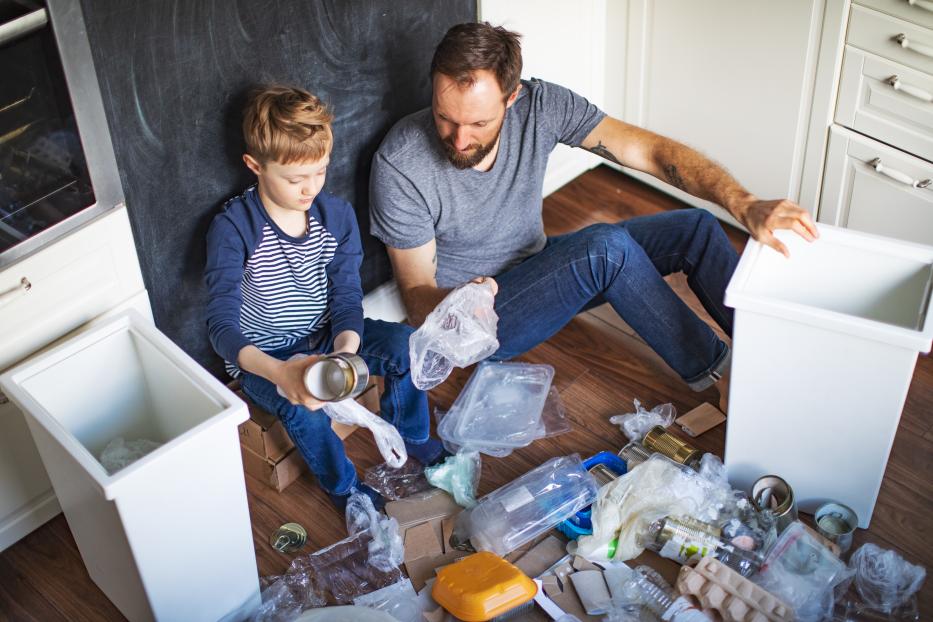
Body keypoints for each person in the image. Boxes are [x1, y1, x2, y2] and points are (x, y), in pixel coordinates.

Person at [369, 22, 818, 405]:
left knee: (695, 227)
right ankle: (727, 378)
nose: (460, 139)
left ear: (512, 98)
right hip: (480, 321)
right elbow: (416, 300)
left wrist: (742, 203)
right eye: (446, 117)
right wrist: (468, 296)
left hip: (537, 262)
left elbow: (652, 151)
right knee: (604, 249)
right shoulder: (401, 162)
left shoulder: (542, 106)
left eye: (479, 124)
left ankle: (773, 360)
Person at [205, 85, 445, 511]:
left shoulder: (335, 216)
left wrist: (345, 352)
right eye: (295, 178)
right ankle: (344, 489)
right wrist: (282, 374)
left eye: (320, 171)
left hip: (326, 336)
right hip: (269, 356)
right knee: (302, 410)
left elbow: (346, 295)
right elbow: (221, 328)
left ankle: (413, 437)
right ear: (254, 166)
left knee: (406, 348)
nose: (310, 188)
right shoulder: (234, 227)